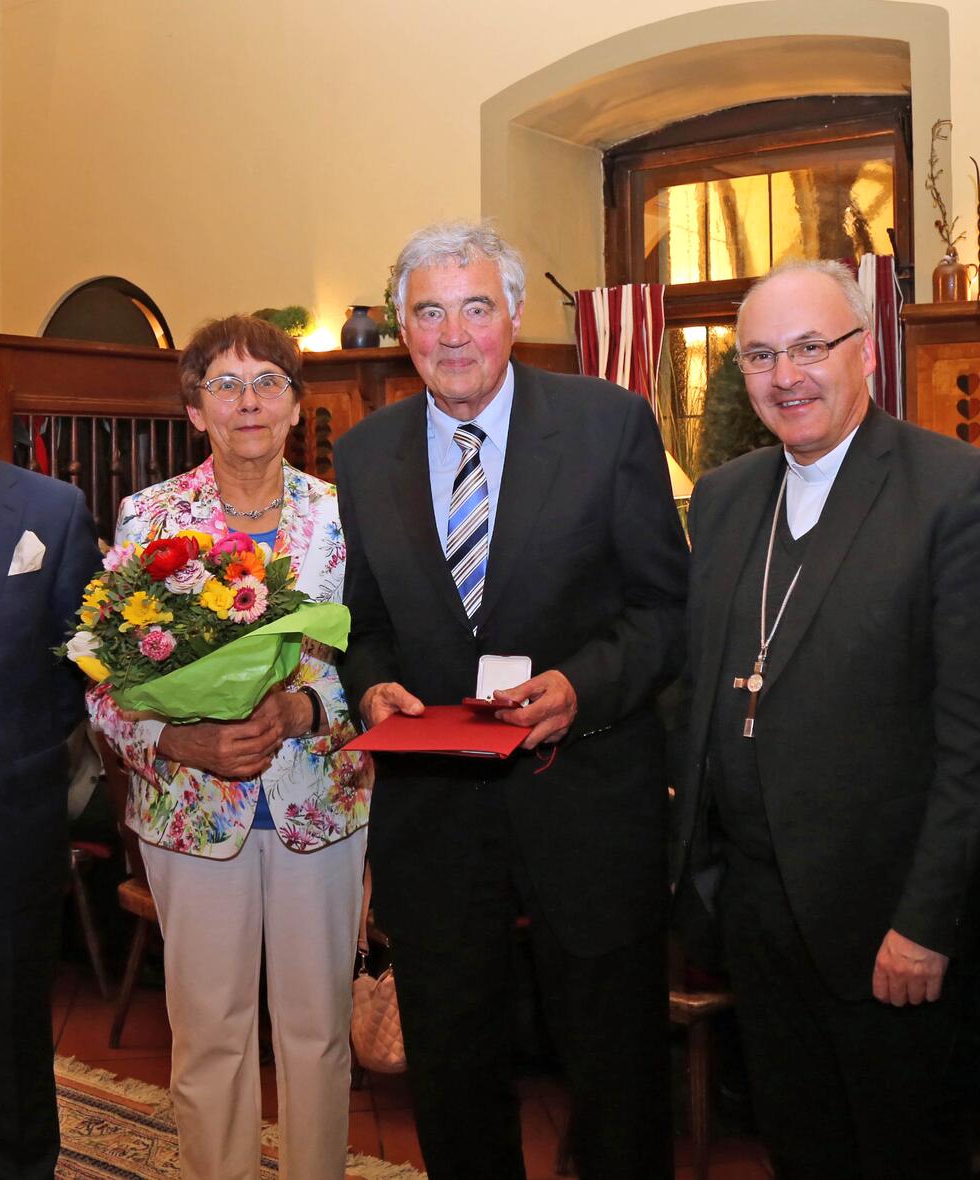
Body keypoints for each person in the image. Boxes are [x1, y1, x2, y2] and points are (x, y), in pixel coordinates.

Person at [672, 261, 980, 1179]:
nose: (786, 375)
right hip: (754, 916)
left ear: (867, 351)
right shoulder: (724, 500)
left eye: (810, 347)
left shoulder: (955, 492)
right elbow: (699, 687)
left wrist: (926, 922)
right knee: (798, 1150)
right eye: (761, 354)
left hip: (887, 929)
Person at [335, 221, 688, 1180]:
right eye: (429, 312)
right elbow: (359, 621)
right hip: (437, 819)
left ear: (517, 315)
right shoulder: (365, 455)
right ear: (405, 330)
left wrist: (582, 688)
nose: (453, 335)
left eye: (476, 308)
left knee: (614, 1070)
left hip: (587, 797)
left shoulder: (608, 423)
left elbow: (665, 609)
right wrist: (369, 685)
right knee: (452, 1073)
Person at [87, 315, 370, 1180]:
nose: (248, 402)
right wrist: (182, 736)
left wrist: (304, 710)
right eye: (225, 385)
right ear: (194, 410)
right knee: (209, 1035)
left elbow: (384, 660)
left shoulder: (344, 517)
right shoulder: (149, 519)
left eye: (268, 384)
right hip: (189, 807)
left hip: (317, 805)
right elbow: (105, 684)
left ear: (295, 408)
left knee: (317, 1034)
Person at [0, 319, 100, 1178]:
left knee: (12, 1058)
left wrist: (9, 754)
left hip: (5, 827)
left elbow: (81, 662)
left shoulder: (50, 511)